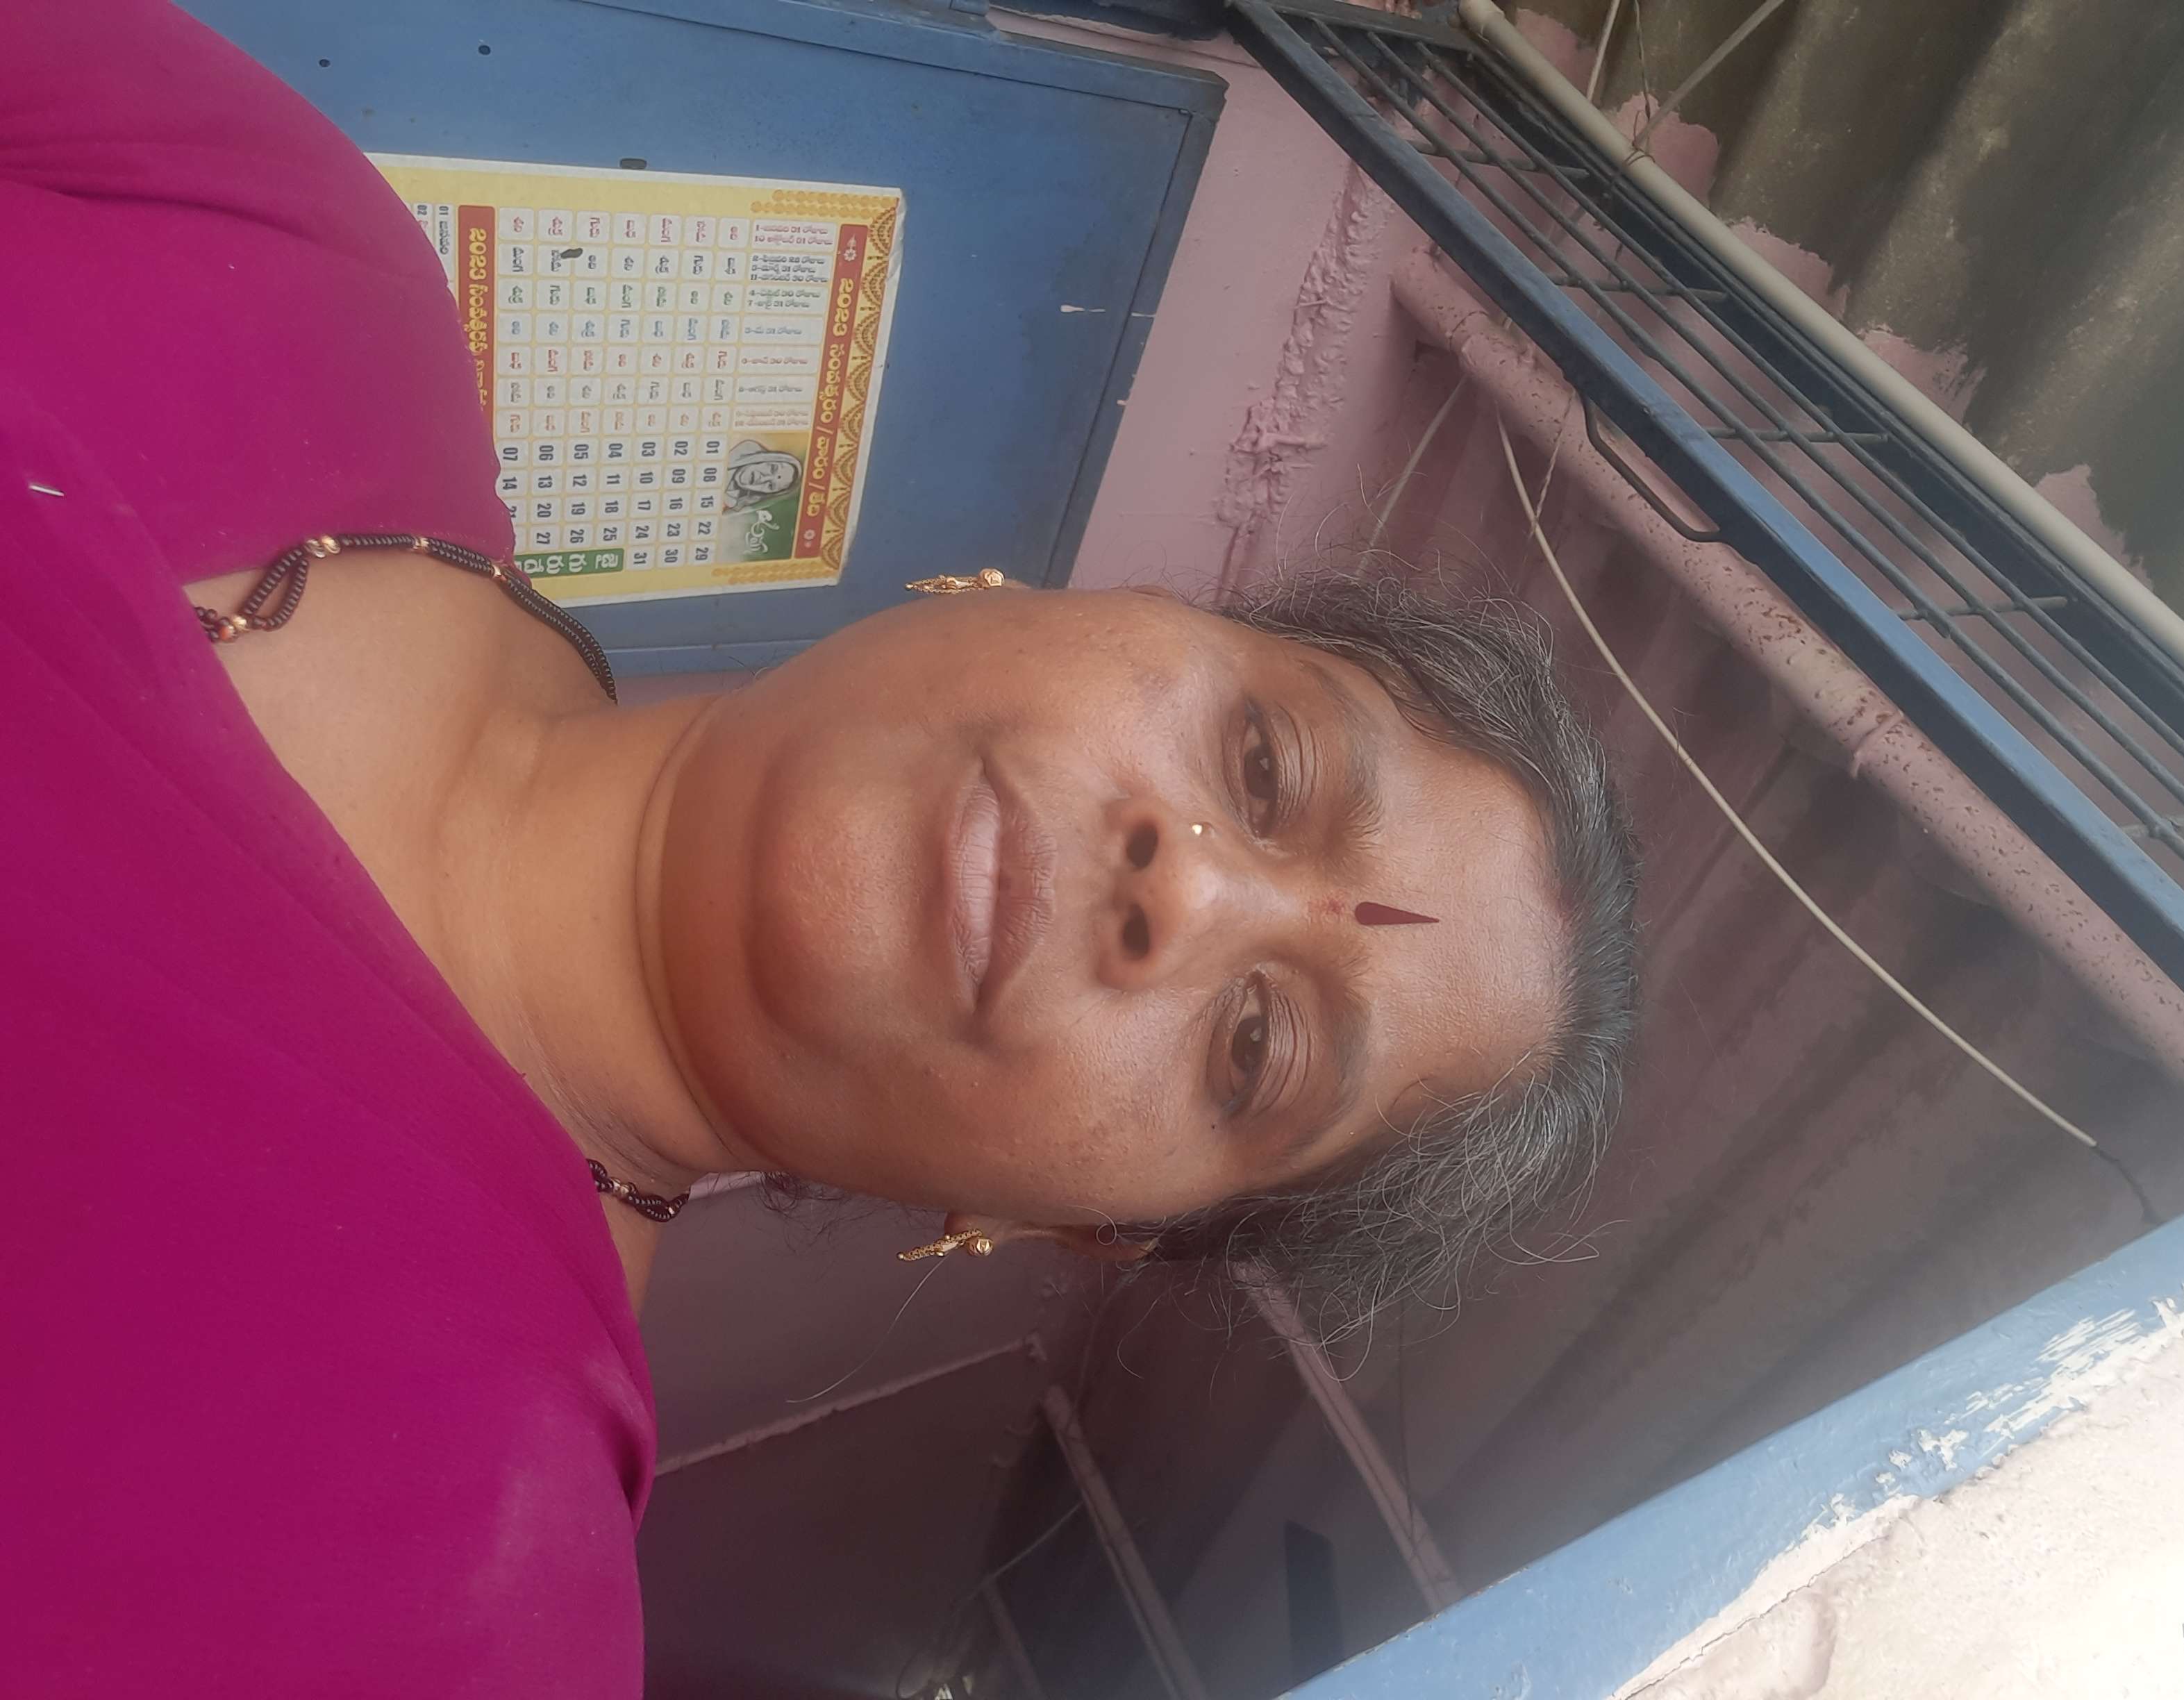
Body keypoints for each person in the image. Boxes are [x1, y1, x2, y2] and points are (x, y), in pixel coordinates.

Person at [0, 3, 1638, 1694]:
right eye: (1266, 760)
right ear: (1102, 602)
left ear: (1079, 1228)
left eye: (1254, 1045)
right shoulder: (294, 255)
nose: (1190, 889)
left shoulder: (433, 1603)